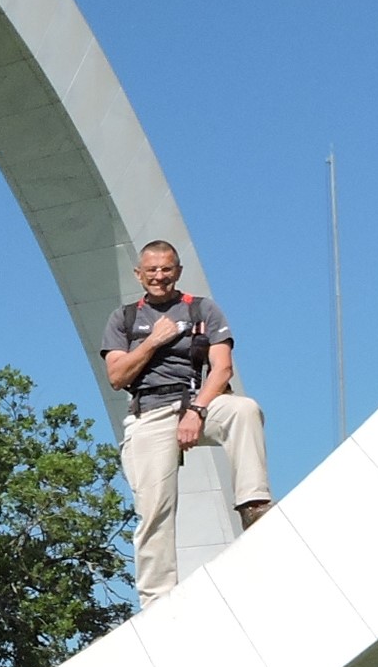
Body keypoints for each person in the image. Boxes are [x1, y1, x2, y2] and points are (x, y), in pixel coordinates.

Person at [101, 239, 272, 606]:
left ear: (178, 271)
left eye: (166, 269)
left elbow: (222, 367)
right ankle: (156, 601)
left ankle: (254, 505)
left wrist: (196, 410)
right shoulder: (124, 319)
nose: (159, 277)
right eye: (152, 271)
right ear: (139, 274)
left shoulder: (203, 310)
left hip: (198, 401)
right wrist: (152, 343)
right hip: (148, 412)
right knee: (154, 513)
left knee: (243, 410)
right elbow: (116, 376)